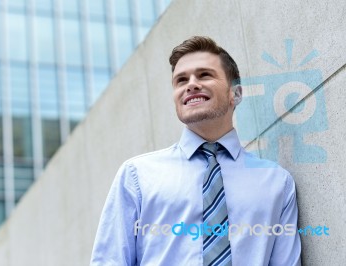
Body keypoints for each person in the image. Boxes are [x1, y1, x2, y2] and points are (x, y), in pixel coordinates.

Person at [90, 36, 301, 266]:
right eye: (181, 80)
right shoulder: (137, 176)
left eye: (204, 75)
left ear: (236, 94)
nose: (190, 84)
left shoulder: (277, 183)